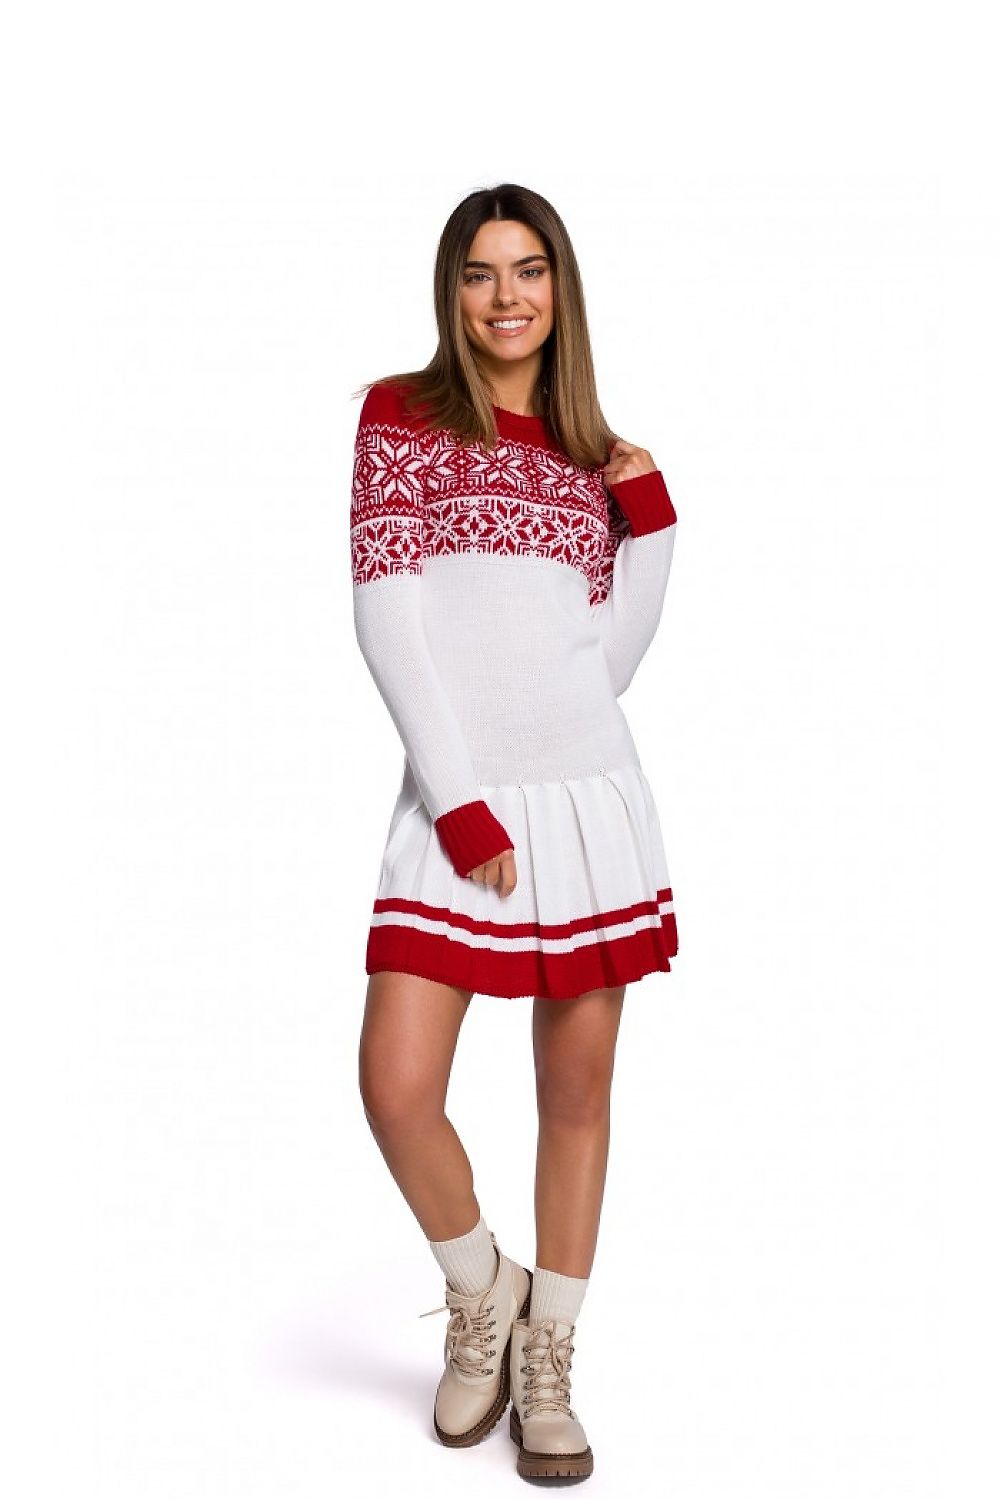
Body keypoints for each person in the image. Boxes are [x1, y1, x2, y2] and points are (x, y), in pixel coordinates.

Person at [350, 183, 679, 1480]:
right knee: (397, 1087)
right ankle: (481, 1285)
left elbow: (605, 665)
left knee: (576, 1095)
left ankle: (549, 1354)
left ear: (560, 287)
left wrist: (652, 530)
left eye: (529, 270)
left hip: (589, 801)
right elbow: (387, 618)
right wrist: (460, 799)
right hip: (458, 802)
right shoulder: (403, 416)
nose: (506, 298)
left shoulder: (594, 455)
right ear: (452, 290)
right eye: (481, 273)